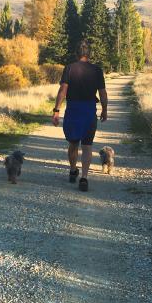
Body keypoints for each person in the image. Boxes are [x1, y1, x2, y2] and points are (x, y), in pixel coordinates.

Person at [52, 40, 108, 191]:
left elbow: (62, 90)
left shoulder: (69, 68)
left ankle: (72, 169)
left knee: (73, 143)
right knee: (87, 145)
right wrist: (104, 109)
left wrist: (56, 110)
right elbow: (102, 92)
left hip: (73, 110)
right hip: (89, 111)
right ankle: (84, 178)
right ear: (89, 54)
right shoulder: (97, 70)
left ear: (77, 54)